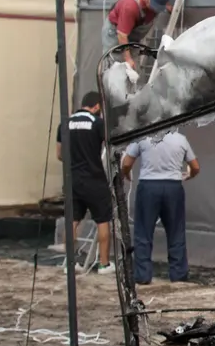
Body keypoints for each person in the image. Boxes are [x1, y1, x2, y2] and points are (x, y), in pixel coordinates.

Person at [120, 127, 198, 284]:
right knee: (176, 232)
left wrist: (127, 173)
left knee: (143, 233)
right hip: (173, 188)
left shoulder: (143, 136)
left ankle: (142, 276)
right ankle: (179, 276)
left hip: (148, 186)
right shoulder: (181, 139)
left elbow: (126, 163)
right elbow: (195, 167)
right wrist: (189, 175)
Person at [56, 91, 114, 273]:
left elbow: (60, 154)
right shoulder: (97, 123)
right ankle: (104, 264)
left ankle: (70, 263)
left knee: (72, 220)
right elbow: (111, 144)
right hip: (94, 179)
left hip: (73, 180)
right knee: (103, 220)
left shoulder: (64, 124)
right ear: (96, 106)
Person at [105, 0, 169, 67]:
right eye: (153, 6)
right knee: (116, 66)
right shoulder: (130, 7)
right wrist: (128, 59)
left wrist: (165, 4)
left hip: (132, 33)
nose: (154, 10)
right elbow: (122, 35)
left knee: (134, 68)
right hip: (116, 32)